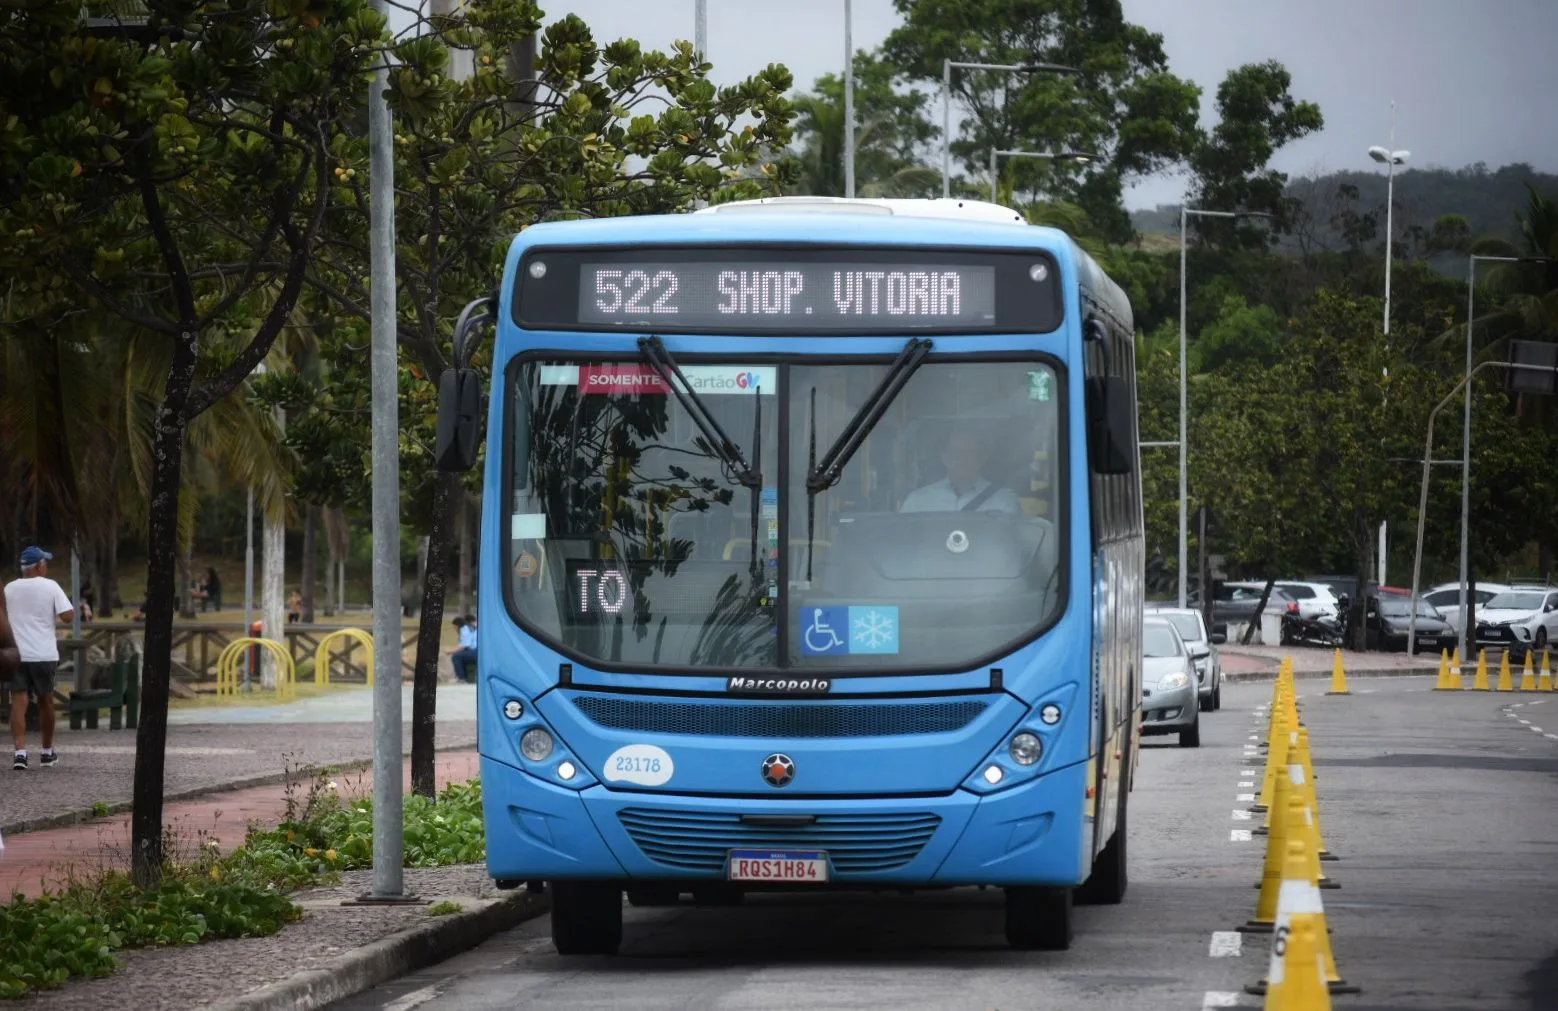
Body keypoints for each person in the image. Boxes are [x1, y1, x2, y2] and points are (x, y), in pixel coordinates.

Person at [5, 546, 74, 771]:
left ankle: (20, 753)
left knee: (18, 703)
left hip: (16, 654)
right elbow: (67, 616)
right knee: (46, 702)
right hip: (43, 653)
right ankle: (46, 751)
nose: (46, 566)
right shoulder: (51, 586)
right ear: (38, 566)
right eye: (45, 562)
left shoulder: (9, 588)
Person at [899, 425, 1022, 515]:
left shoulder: (1004, 502)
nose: (963, 459)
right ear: (944, 456)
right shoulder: (917, 502)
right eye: (956, 453)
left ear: (983, 458)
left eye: (971, 453)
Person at [448, 614, 478, 683]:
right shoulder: (470, 628)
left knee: (456, 657)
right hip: (476, 651)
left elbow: (464, 647)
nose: (454, 629)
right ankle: (464, 677)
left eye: (454, 627)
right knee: (461, 655)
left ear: (458, 626)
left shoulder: (464, 629)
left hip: (476, 651)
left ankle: (461, 678)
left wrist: (450, 652)